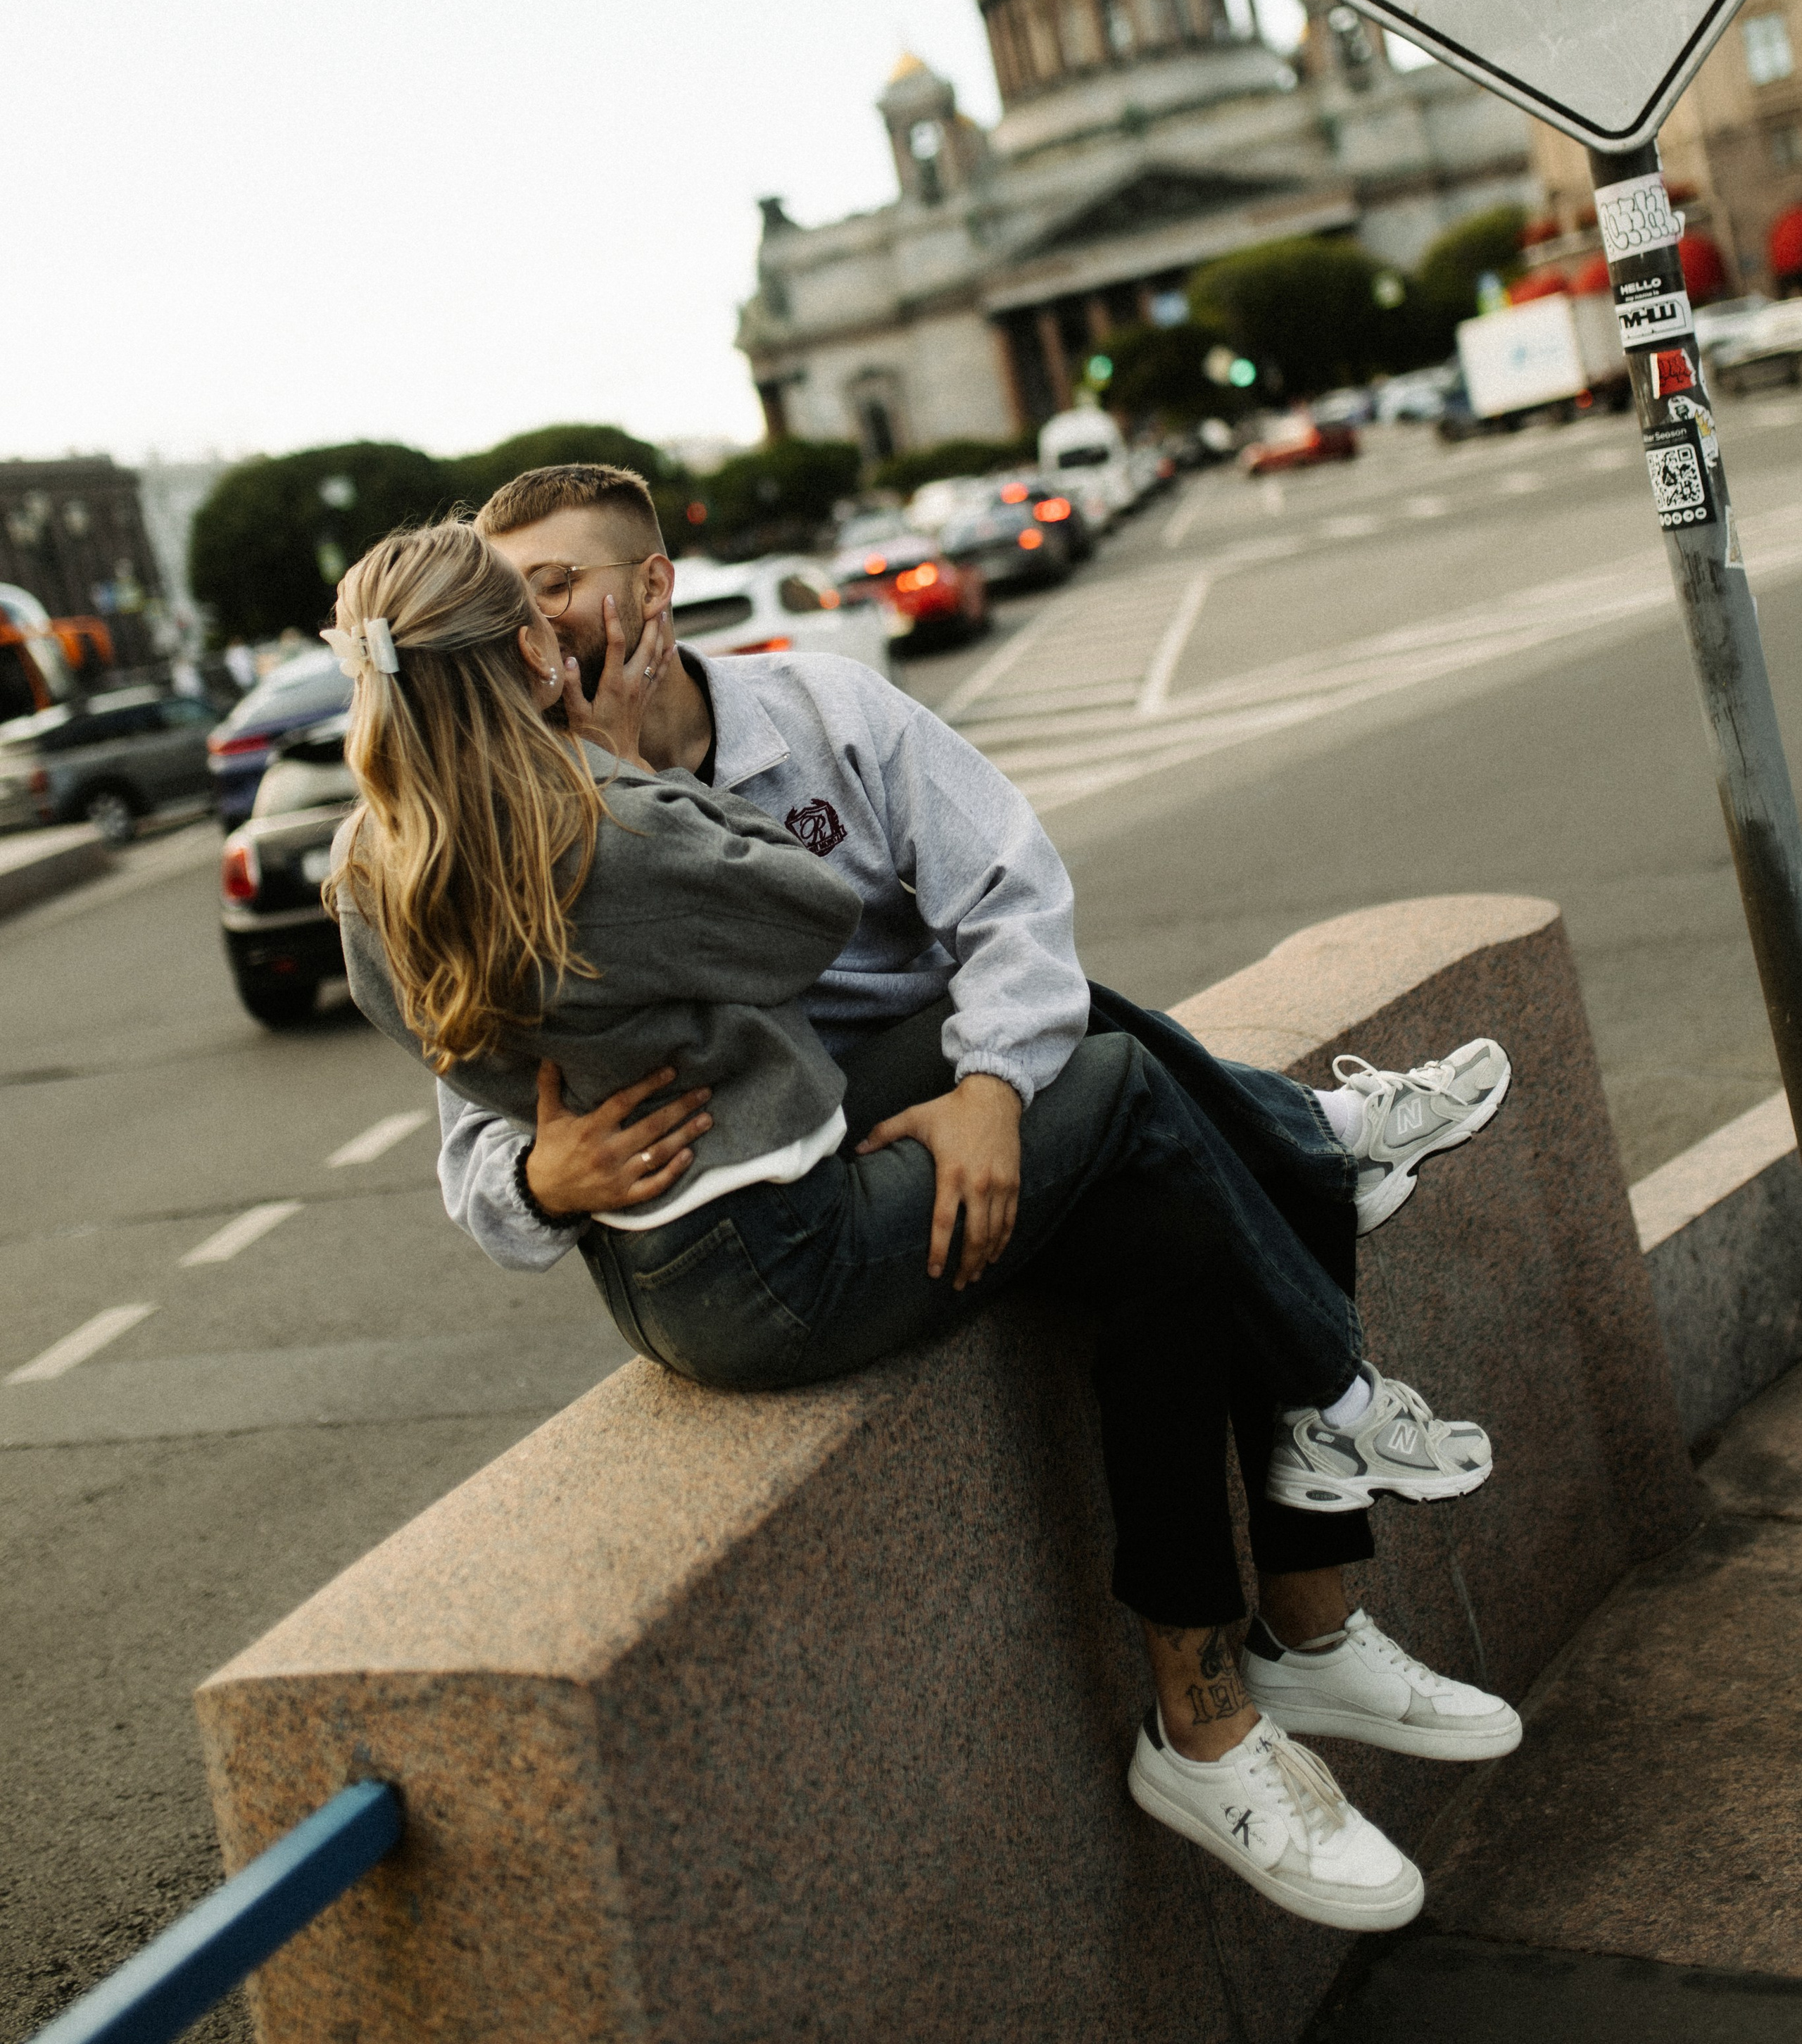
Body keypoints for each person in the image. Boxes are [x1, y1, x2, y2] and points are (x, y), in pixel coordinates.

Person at [336, 491, 1517, 1935]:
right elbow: (785, 931)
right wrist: (539, 1170)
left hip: (781, 1180)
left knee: (1105, 1079)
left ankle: (1308, 1521)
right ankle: (1320, 1394)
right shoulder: (591, 823)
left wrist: (992, 1092)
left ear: (650, 586)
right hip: (779, 1231)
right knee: (1144, 1112)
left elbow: (1013, 910)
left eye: (563, 579)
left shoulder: (406, 850)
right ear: (515, 653)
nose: (553, 616)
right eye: (523, 597)